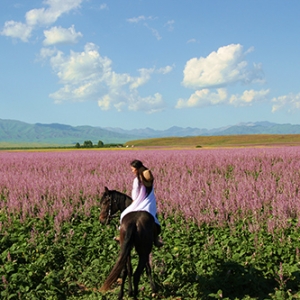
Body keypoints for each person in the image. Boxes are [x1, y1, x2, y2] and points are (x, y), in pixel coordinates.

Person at [116, 159, 163, 247]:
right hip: (150, 201)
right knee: (154, 217)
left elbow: (135, 193)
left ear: (137, 169)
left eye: (133, 169)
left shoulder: (137, 180)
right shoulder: (148, 179)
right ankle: (156, 238)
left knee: (124, 214)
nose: (132, 171)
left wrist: (133, 201)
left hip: (139, 201)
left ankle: (121, 235)